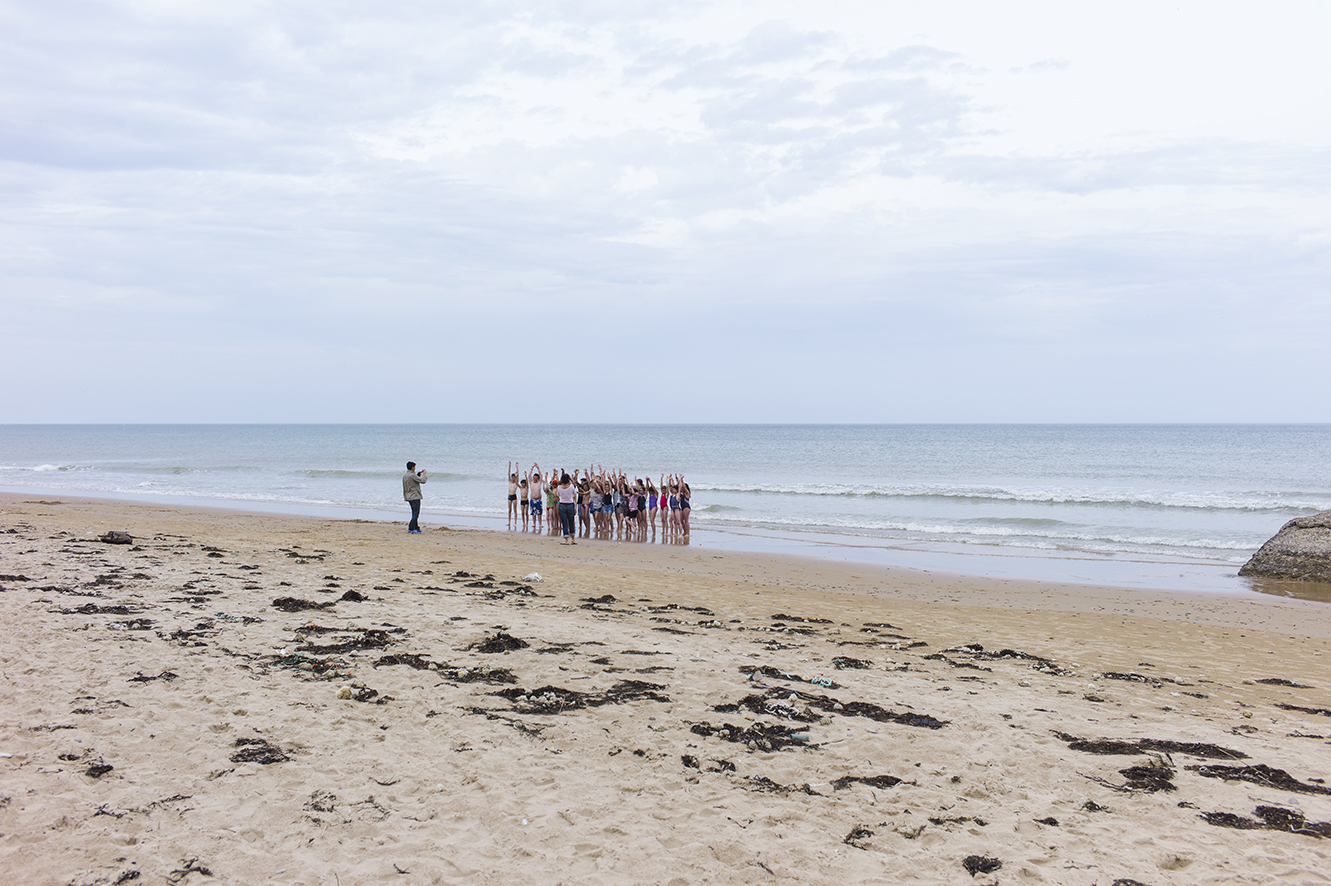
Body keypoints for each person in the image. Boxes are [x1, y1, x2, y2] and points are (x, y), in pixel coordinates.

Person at [403, 461, 427, 534]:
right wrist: (424, 475)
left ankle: (416, 527)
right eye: (414, 467)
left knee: (414, 513)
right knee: (416, 513)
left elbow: (413, 481)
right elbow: (423, 481)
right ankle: (411, 528)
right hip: (415, 496)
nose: (415, 468)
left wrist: (418, 475)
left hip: (409, 496)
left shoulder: (406, 475)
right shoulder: (412, 475)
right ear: (412, 468)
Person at [556, 472, 578, 544]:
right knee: (571, 521)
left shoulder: (559, 487)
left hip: (562, 504)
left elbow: (558, 495)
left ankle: (566, 540)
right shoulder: (571, 486)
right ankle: (573, 538)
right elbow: (574, 493)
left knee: (564, 522)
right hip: (570, 504)